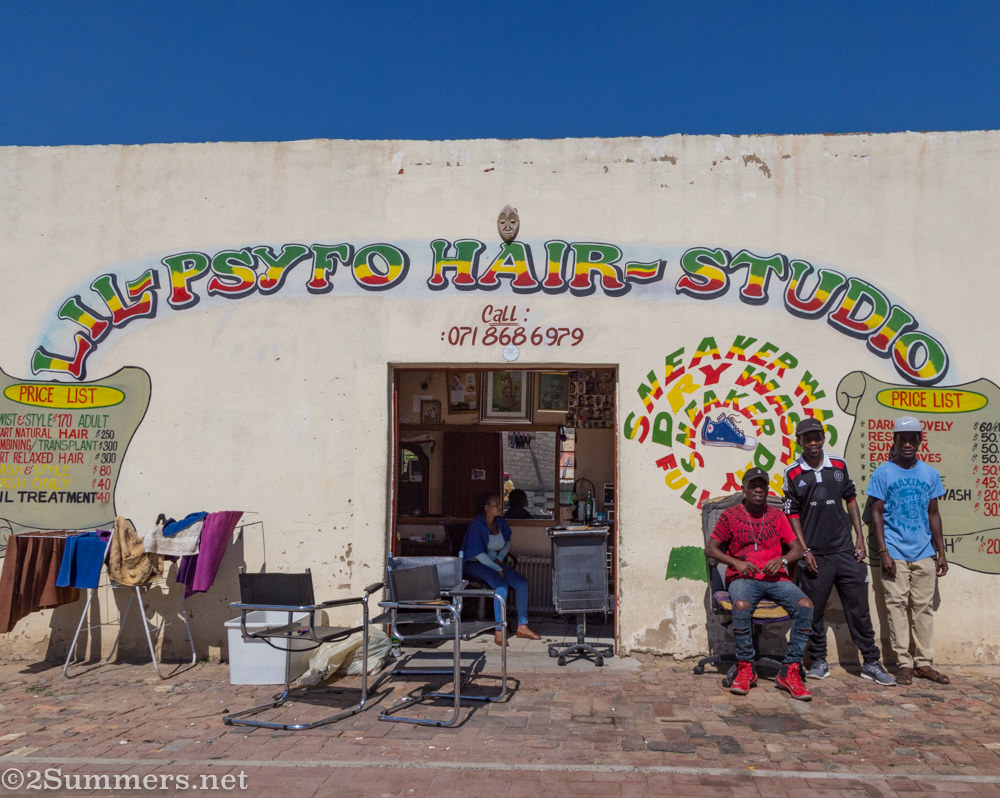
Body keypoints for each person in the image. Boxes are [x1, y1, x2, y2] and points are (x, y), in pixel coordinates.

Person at [782, 417, 895, 685]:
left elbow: (852, 500)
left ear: (823, 438)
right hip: (815, 554)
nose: (813, 443)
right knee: (814, 610)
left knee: (859, 610)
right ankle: (819, 660)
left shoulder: (839, 465)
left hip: (845, 551)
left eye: (817, 437)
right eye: (807, 438)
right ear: (799, 441)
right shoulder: (793, 472)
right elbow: (792, 514)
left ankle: (870, 662)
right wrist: (804, 548)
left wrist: (858, 536)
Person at [705, 467, 814, 700]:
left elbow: (796, 549)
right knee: (742, 605)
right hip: (743, 579)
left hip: (775, 579)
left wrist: (782, 559)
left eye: (762, 486)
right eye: (753, 485)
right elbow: (710, 548)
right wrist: (736, 562)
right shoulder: (730, 515)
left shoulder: (777, 516)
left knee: (805, 605)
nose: (758, 490)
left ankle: (790, 669)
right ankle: (746, 666)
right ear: (743, 488)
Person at [867, 415, 949, 686]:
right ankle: (904, 663)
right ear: (895, 441)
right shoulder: (884, 473)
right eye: (903, 439)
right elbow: (876, 513)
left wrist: (941, 552)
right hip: (895, 553)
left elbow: (934, 514)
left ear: (919, 441)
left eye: (913, 439)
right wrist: (883, 551)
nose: (908, 444)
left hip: (924, 552)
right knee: (896, 606)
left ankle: (924, 663)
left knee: (923, 608)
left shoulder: (929, 474)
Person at [461, 492, 541, 645]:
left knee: (521, 583)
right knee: (501, 585)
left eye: (499, 504)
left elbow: (507, 544)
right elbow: (478, 554)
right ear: (486, 508)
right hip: (475, 564)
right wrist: (496, 568)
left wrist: (499, 560)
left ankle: (522, 626)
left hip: (494, 561)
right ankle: (499, 630)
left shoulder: (500, 522)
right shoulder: (477, 525)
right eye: (495, 504)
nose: (499, 507)